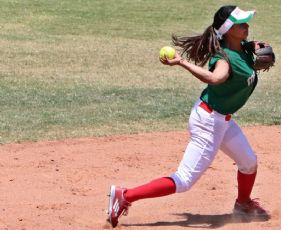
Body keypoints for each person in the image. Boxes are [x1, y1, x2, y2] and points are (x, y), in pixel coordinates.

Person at [107, 5, 271, 228]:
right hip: (209, 122)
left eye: (246, 22)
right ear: (228, 28)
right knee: (184, 180)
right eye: (241, 23)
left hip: (222, 120)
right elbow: (215, 79)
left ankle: (243, 203)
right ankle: (125, 195)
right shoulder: (224, 58)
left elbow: (246, 47)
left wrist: (251, 45)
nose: (247, 26)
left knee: (249, 162)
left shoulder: (242, 47)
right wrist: (182, 63)